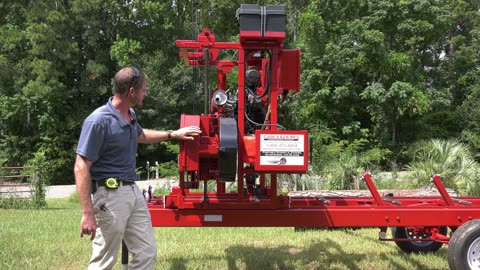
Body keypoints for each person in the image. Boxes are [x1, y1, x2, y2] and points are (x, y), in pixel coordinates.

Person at [74, 66, 201, 269]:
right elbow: (81, 166)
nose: (146, 93)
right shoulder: (98, 121)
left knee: (146, 254)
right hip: (109, 195)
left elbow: (141, 136)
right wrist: (87, 212)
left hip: (133, 191)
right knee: (104, 260)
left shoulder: (130, 114)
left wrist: (172, 134)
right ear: (131, 91)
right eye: (144, 89)